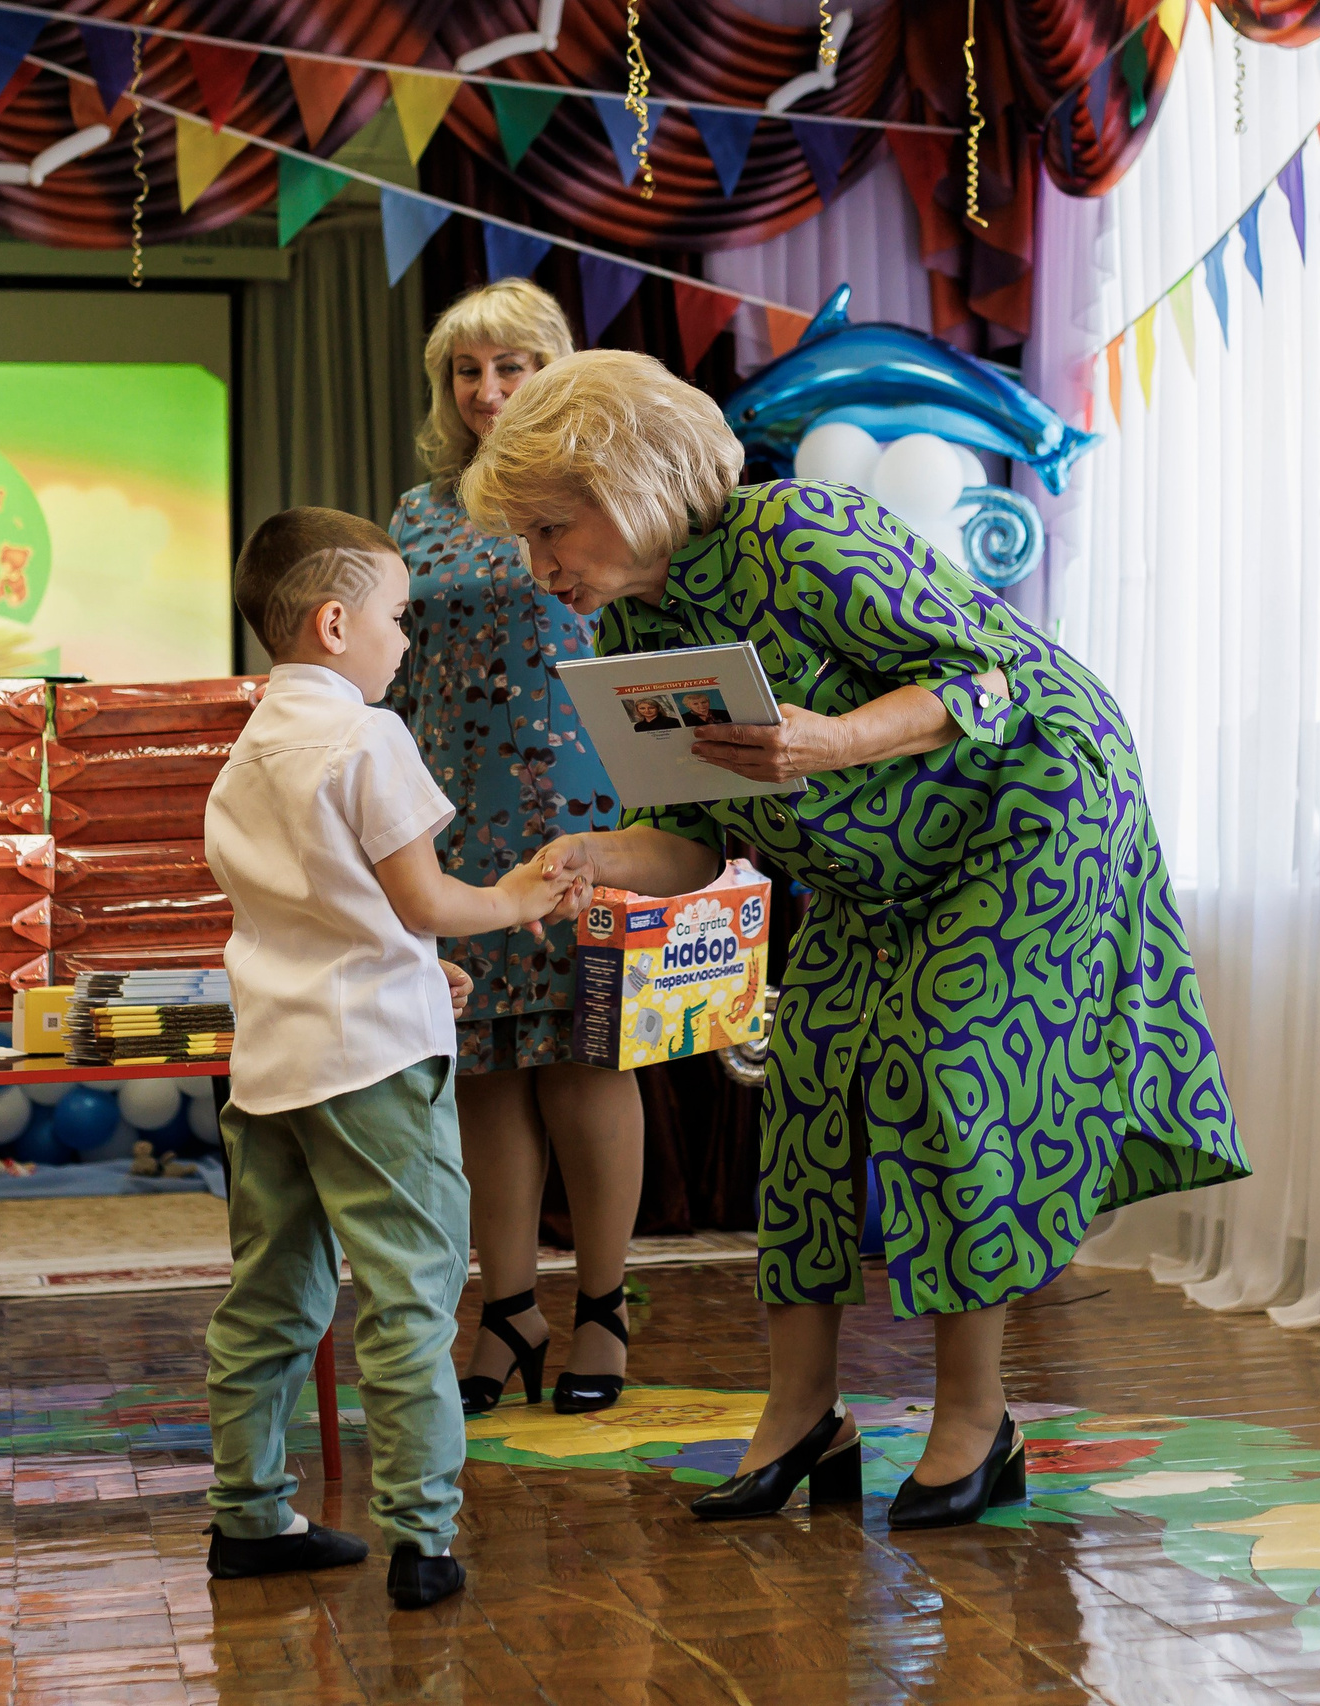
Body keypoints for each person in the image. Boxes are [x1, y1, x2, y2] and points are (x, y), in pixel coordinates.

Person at [458, 352, 1249, 1530]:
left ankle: (979, 1419)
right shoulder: (639, 614)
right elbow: (691, 836)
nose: (541, 564)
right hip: (878, 870)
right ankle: (802, 1413)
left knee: (942, 1073)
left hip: (1027, 812)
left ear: (623, 477)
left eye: (547, 527)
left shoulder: (801, 531)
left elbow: (999, 676)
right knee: (810, 1077)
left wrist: (834, 742)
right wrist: (588, 859)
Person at [201, 506, 578, 1607]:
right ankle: (422, 1536)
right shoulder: (369, 734)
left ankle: (247, 1513)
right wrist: (510, 899)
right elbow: (422, 896)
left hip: (272, 1063)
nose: (406, 639)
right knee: (411, 1295)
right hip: (373, 1062)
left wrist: (413, 960)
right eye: (398, 616)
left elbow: (315, 910)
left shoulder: (247, 747)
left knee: (270, 1296)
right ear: (334, 622)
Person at [387, 279, 640, 1420]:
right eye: (466, 369)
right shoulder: (415, 510)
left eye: (511, 365)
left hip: (582, 808)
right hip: (456, 816)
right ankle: (507, 1310)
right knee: (482, 1070)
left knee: (589, 1063)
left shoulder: (609, 491)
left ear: (556, 368)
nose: (485, 389)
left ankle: (603, 1308)